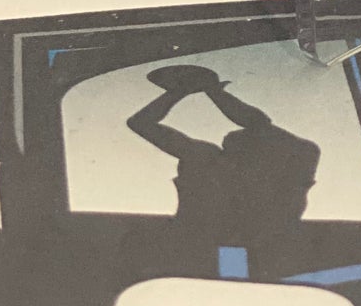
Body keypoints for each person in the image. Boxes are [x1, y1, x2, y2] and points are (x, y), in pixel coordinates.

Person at [126, 64, 320, 246]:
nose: (228, 136)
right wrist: (212, 92)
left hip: (211, 244)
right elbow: (259, 123)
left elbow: (140, 123)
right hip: (224, 244)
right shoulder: (298, 159)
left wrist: (184, 91)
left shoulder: (210, 160)